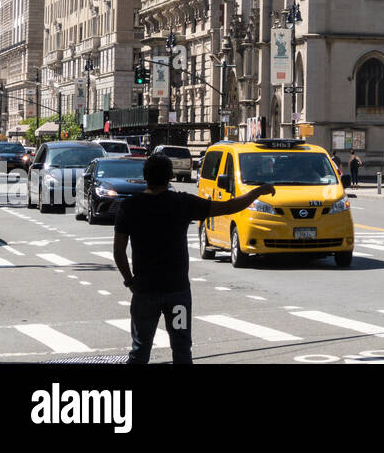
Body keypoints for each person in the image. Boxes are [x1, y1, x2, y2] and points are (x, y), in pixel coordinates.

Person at [113, 154, 275, 364]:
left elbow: (118, 252)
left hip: (145, 292)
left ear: (145, 177)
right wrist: (258, 191)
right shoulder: (182, 203)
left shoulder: (130, 207)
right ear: (170, 176)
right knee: (181, 349)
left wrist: (130, 281)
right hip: (177, 292)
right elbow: (229, 206)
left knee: (140, 350)